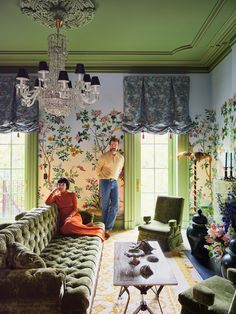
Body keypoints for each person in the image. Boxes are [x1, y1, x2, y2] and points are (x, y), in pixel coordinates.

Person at [96, 137, 124, 239]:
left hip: (114, 182)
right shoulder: (103, 157)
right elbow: (98, 169)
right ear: (110, 145)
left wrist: (114, 177)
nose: (114, 146)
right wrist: (103, 178)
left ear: (118, 146)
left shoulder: (121, 158)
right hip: (105, 182)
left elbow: (120, 168)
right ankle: (104, 228)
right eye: (112, 144)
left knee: (115, 205)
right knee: (105, 205)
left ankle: (108, 228)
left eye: (115, 145)